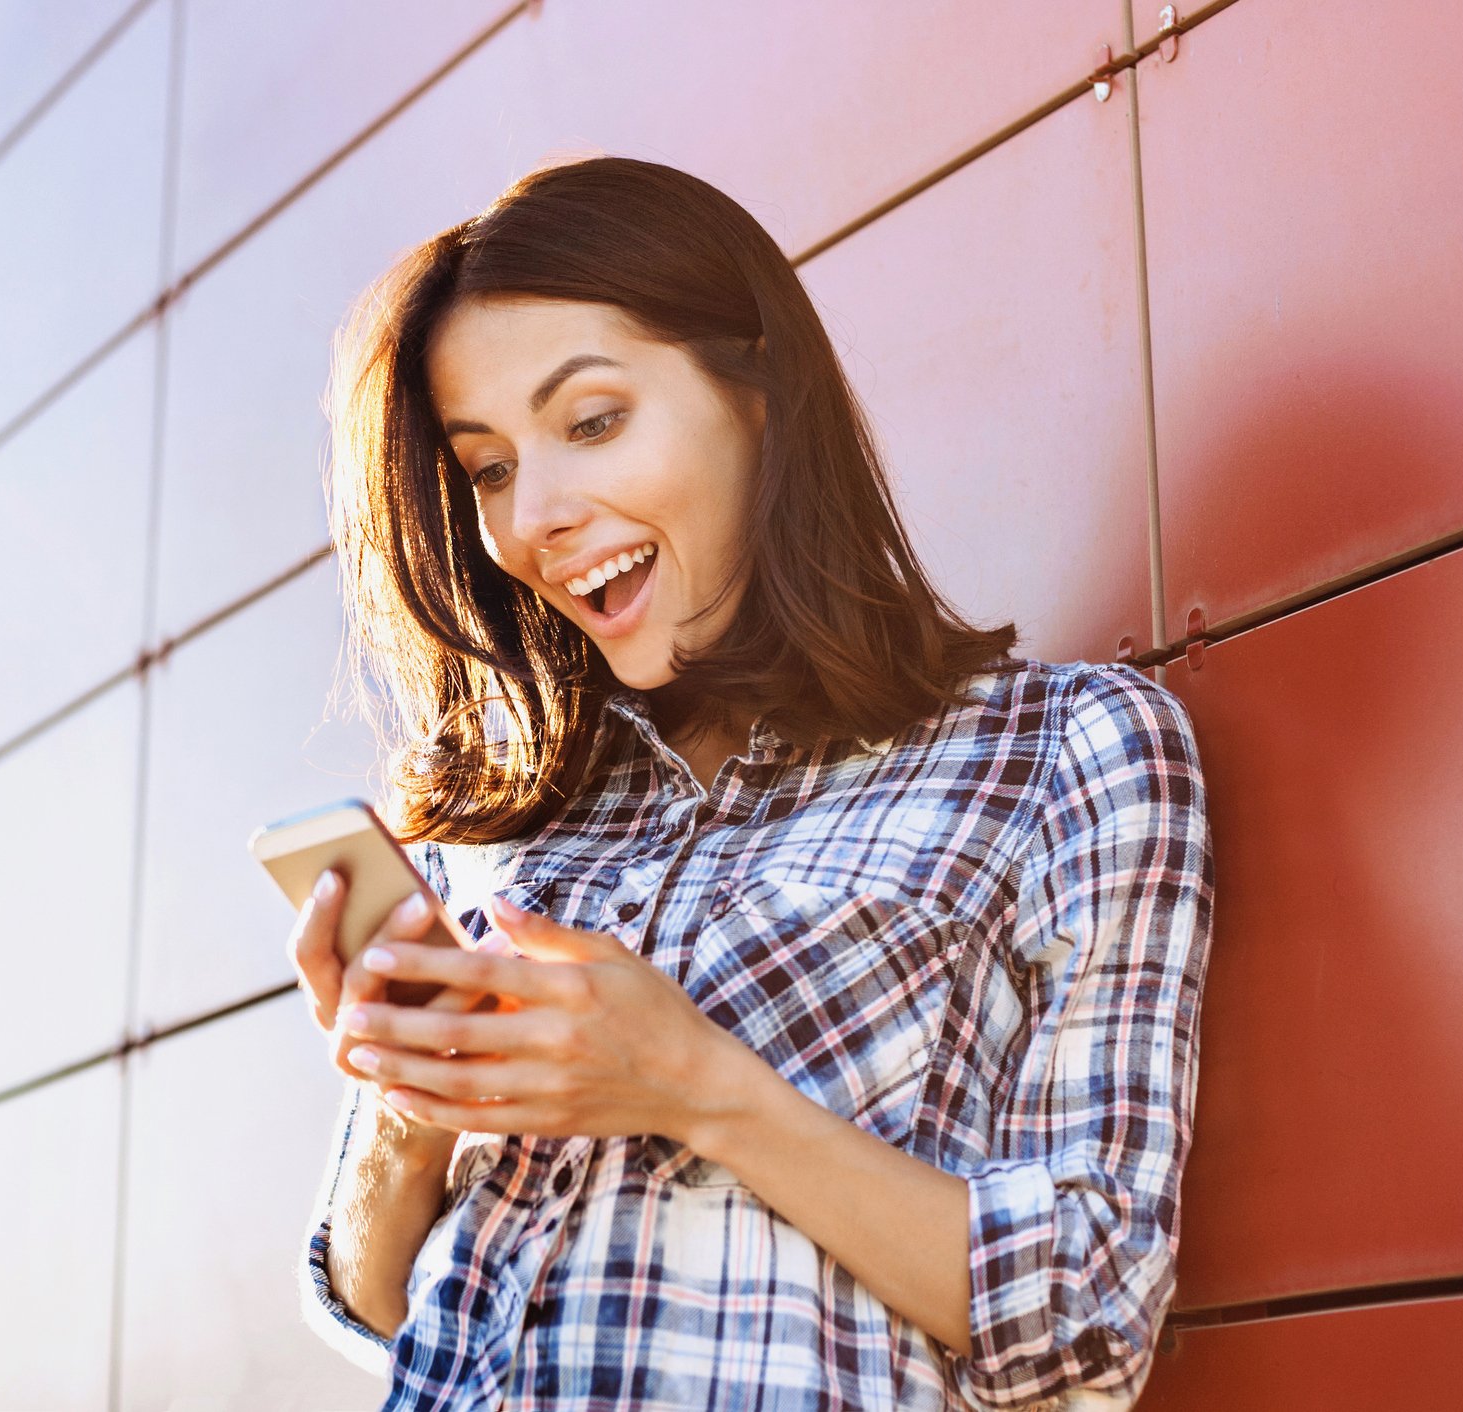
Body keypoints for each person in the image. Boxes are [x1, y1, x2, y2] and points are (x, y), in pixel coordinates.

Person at [286, 154, 1214, 1411]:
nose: (534, 518)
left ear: (757, 392)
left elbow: (1086, 1318)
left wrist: (697, 1085)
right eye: (489, 466)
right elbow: (378, 1302)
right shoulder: (504, 824)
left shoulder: (1063, 754)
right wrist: (406, 1102)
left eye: (592, 421)